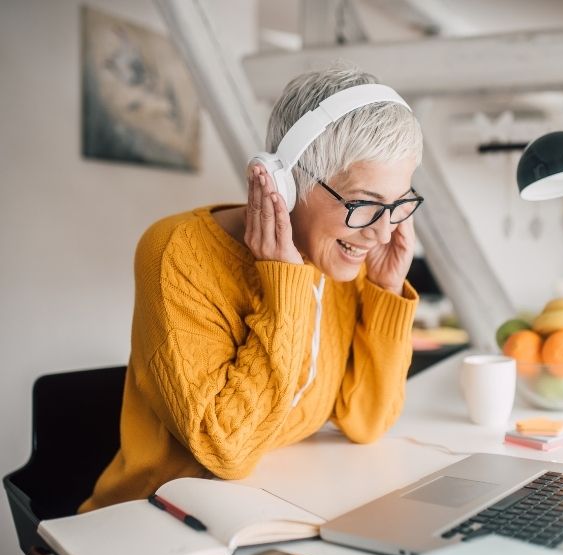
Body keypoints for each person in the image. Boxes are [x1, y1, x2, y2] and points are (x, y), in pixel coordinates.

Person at [80, 65, 424, 512]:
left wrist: (386, 288)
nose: (381, 234)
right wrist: (284, 284)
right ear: (286, 182)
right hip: (152, 525)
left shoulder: (343, 258)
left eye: (398, 205)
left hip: (268, 511)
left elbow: (367, 421)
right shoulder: (175, 251)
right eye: (364, 204)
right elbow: (227, 450)